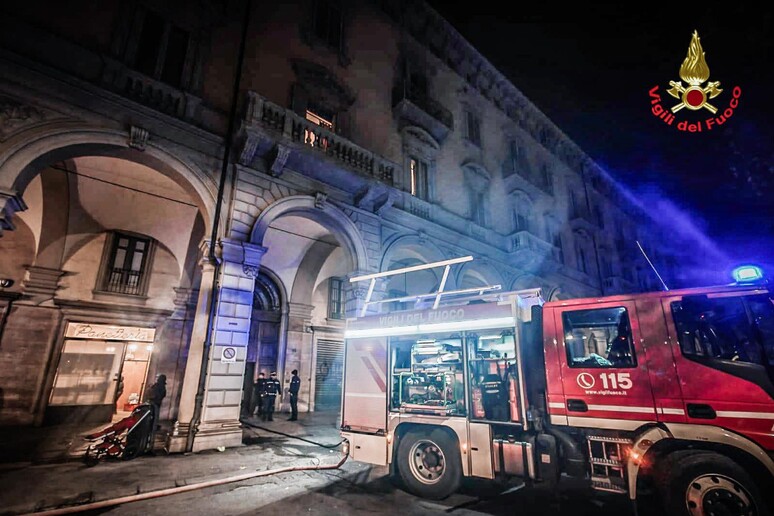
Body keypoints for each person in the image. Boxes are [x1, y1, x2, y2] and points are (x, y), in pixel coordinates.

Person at [145, 374, 167, 452]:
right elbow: (163, 394)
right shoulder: (161, 386)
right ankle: (149, 445)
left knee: (151, 424)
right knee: (153, 424)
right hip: (155, 405)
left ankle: (148, 445)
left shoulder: (156, 386)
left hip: (153, 405)